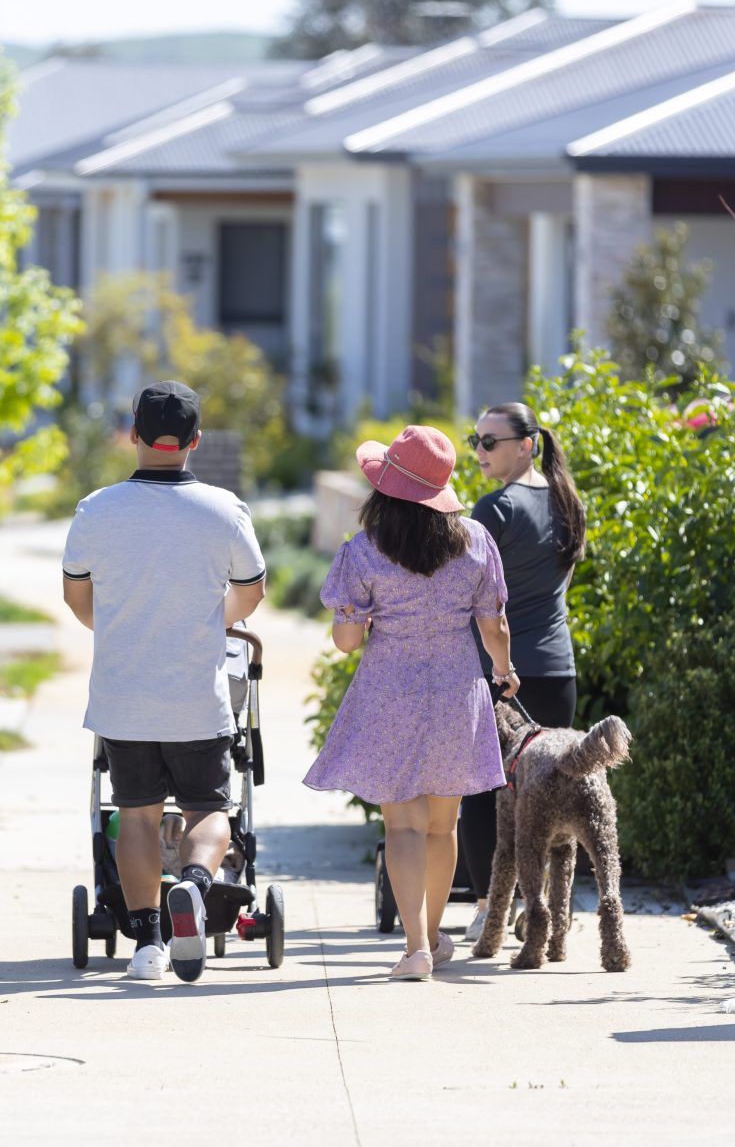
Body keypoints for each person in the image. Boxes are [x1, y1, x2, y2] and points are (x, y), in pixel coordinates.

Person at [62, 380, 266, 983]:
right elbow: (252, 591)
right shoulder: (224, 509)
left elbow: (77, 595)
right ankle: (198, 887)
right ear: (195, 441)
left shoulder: (96, 509)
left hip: (123, 698)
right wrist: (206, 621)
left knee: (137, 813)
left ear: (133, 435)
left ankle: (148, 944)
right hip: (196, 698)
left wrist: (123, 626)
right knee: (209, 808)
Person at [303, 425, 519, 981]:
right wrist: (503, 671)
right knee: (443, 827)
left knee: (401, 826)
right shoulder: (474, 540)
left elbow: (348, 641)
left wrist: (365, 620)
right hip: (457, 688)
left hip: (388, 689)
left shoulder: (366, 550)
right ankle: (434, 935)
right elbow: (494, 626)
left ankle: (417, 946)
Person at [460, 401, 586, 942]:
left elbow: (464, 592)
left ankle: (493, 905)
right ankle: (550, 912)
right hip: (558, 670)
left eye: (491, 442)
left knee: (485, 790)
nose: (480, 451)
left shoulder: (495, 509)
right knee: (554, 793)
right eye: (476, 441)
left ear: (527, 444)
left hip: (499, 671)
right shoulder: (568, 503)